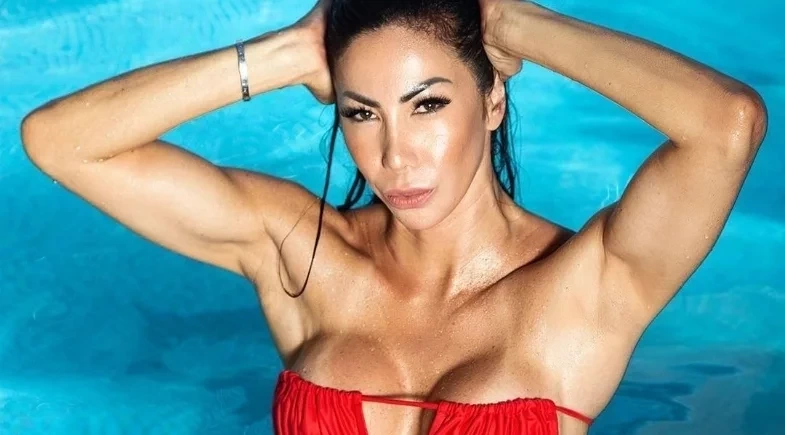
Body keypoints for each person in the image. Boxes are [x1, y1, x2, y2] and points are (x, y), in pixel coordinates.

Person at [20, 0, 768, 433]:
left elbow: (726, 124)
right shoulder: (303, 253)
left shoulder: (587, 286)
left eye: (427, 104)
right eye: (361, 112)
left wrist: (513, 22)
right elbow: (59, 143)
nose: (395, 155)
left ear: (494, 99)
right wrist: (285, 55)